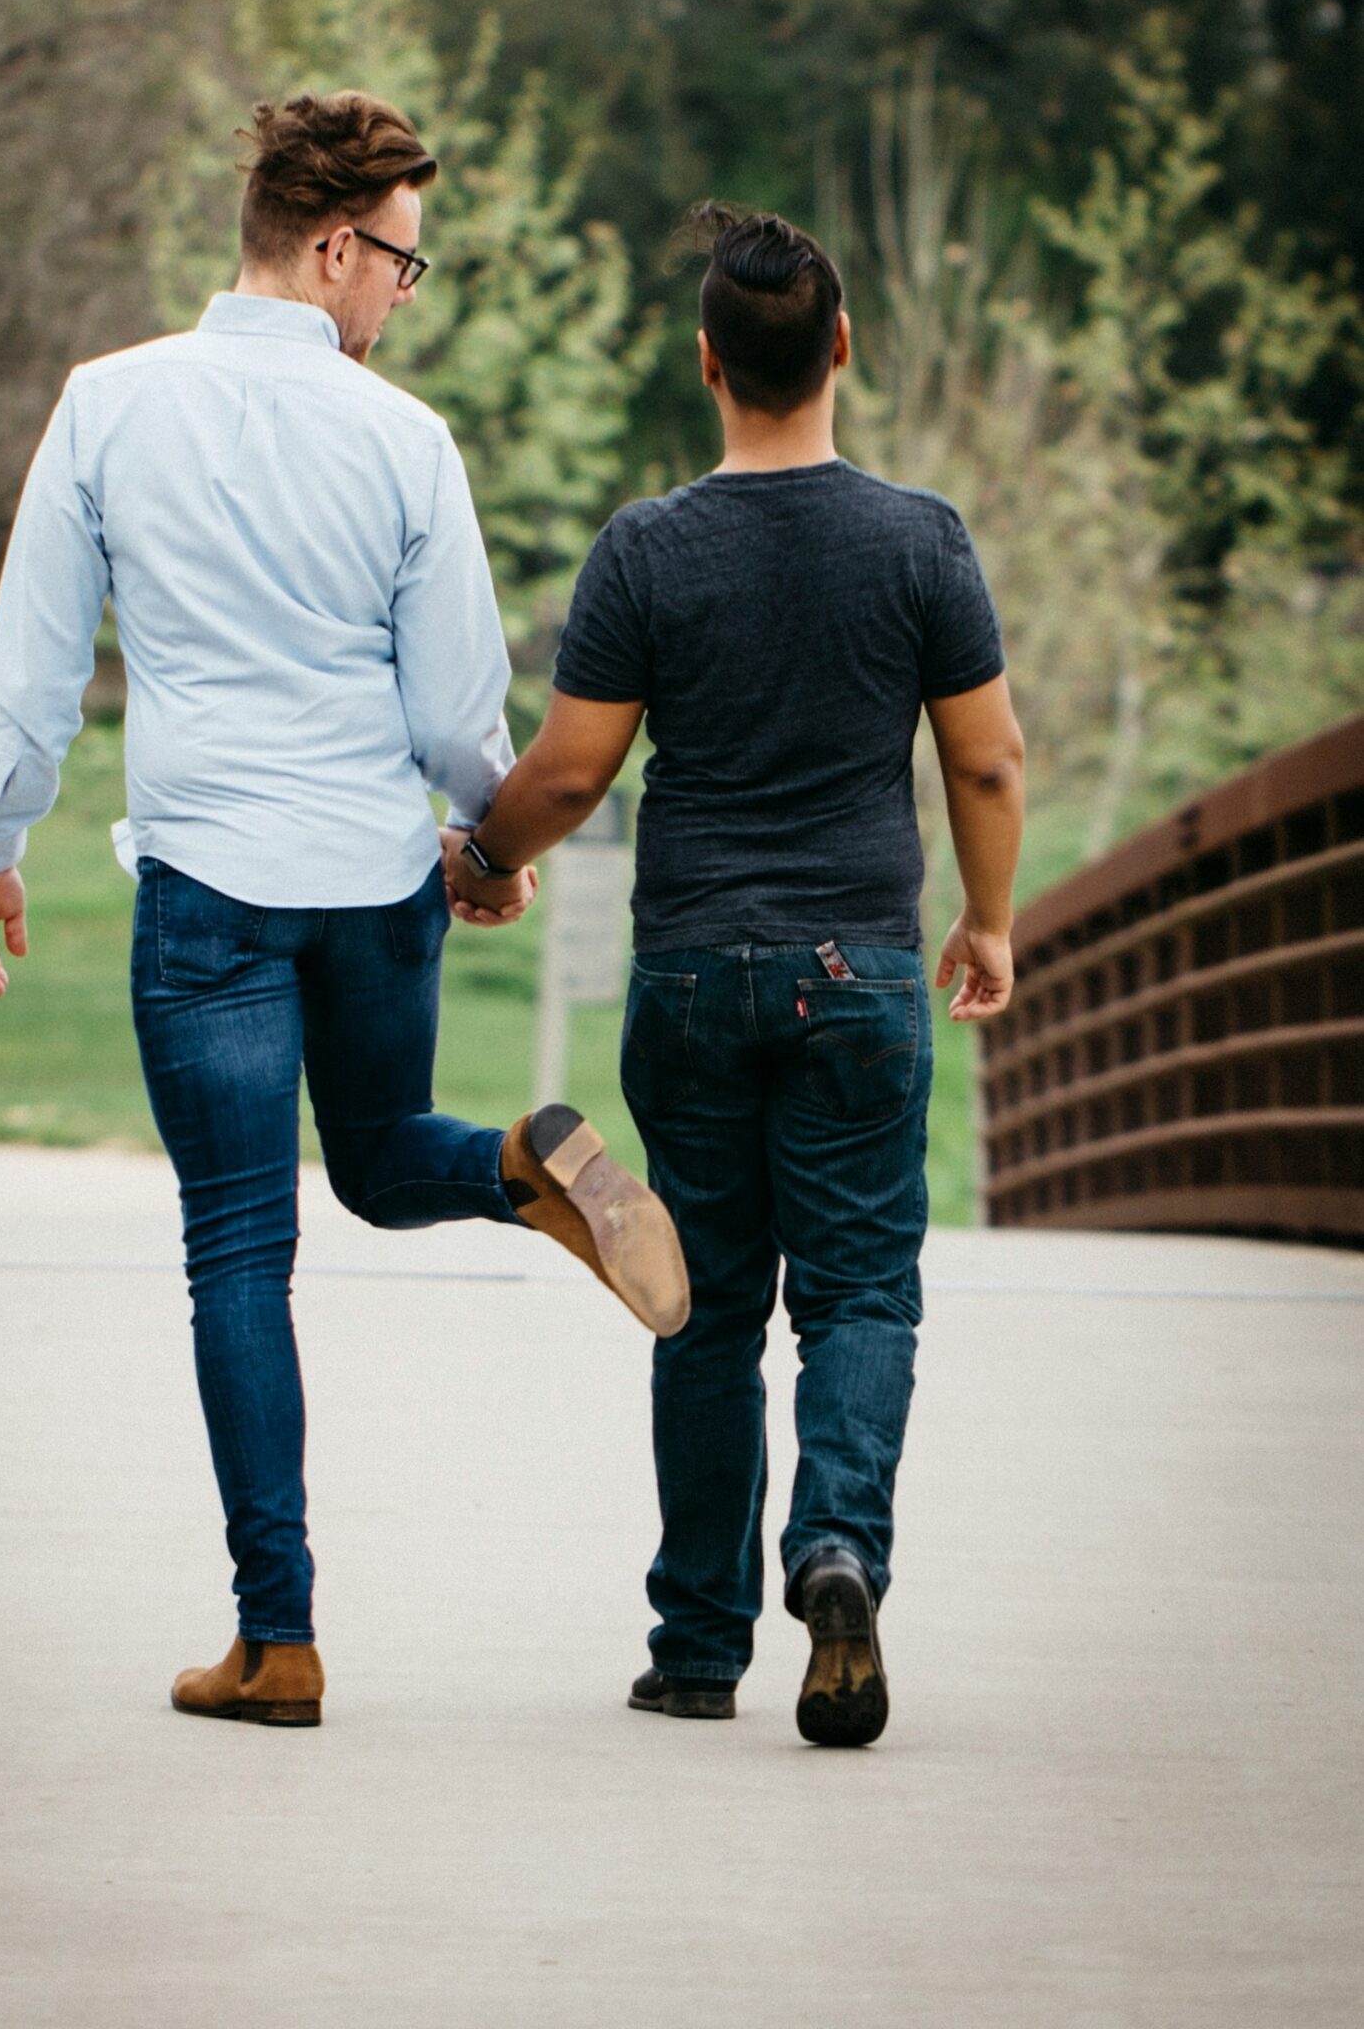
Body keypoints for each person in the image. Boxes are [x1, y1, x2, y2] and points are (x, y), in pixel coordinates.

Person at [0, 91, 687, 1730]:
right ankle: (515, 1163)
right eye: (403, 270)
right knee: (373, 1161)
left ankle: (276, 1642)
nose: (398, 303)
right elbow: (453, 708)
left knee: (236, 1256)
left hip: (208, 887)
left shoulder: (104, 405)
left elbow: (42, 661)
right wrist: (484, 851)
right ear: (339, 244)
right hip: (371, 886)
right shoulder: (403, 440)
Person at [440, 202, 1024, 1748]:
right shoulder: (920, 541)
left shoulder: (646, 545)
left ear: (707, 363)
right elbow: (985, 763)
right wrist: (987, 921)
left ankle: (696, 1647)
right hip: (858, 974)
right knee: (857, 1296)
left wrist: (484, 858)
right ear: (842, 346)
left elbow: (569, 774)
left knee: (699, 1308)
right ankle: (835, 1550)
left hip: (694, 971)